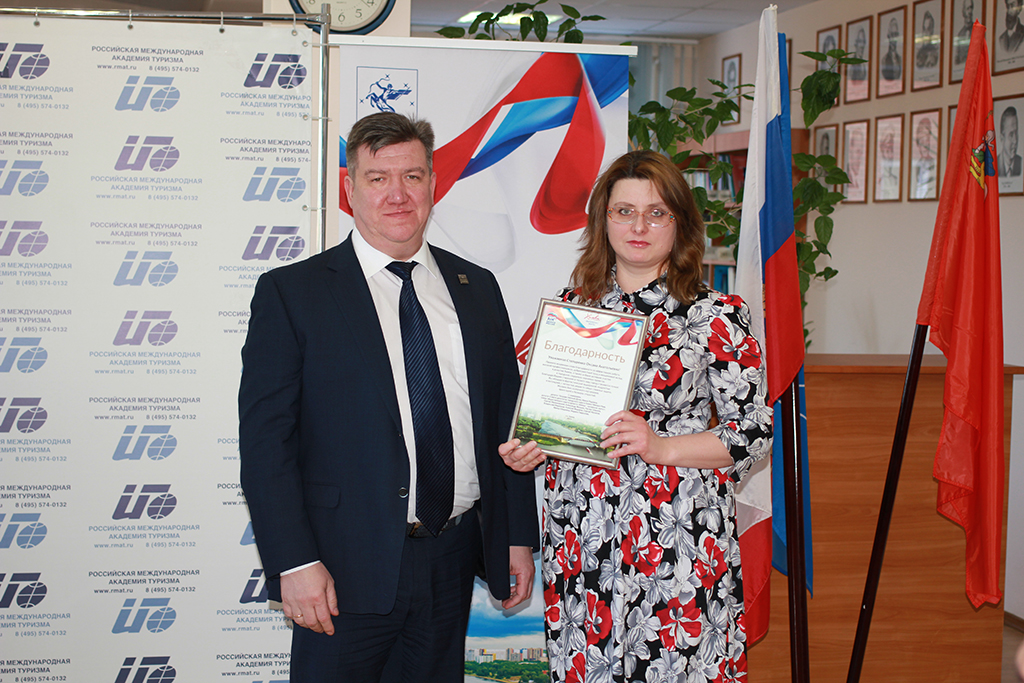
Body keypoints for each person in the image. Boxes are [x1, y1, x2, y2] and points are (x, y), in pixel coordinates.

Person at [238, 111, 538, 682]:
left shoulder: (477, 287)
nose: (397, 194)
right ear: (350, 189)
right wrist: (294, 562)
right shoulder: (293, 293)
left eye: (412, 176)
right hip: (339, 569)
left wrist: (517, 537)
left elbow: (507, 421)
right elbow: (265, 445)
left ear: (433, 184)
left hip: (453, 557)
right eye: (378, 178)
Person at [500, 150, 772, 683]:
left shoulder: (714, 315)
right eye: (624, 211)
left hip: (677, 536)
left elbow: (754, 432)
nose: (639, 226)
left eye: (656, 212)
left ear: (679, 222)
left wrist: (661, 446)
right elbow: (548, 418)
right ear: (603, 221)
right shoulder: (570, 311)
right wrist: (531, 447)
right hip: (582, 537)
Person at [999, 106, 1022, 177]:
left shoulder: (1021, 163)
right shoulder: (993, 165)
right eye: (1011, 135)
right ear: (1002, 138)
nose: (1015, 141)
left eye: (1016, 133)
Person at [881, 17, 903, 82]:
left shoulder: (900, 59)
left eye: (895, 35)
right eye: (892, 35)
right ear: (888, 36)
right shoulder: (884, 60)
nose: (894, 38)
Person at [955, 0, 975, 65]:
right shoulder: (960, 35)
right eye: (967, 8)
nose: (969, 11)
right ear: (963, 12)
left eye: (971, 8)